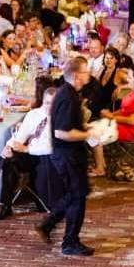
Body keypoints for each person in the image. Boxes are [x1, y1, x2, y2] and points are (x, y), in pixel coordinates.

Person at [0, 87, 59, 220]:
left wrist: (26, 149)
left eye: (53, 103)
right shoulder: (33, 114)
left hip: (45, 158)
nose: (50, 106)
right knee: (9, 159)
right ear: (43, 101)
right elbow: (20, 136)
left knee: (10, 161)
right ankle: (5, 205)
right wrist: (9, 146)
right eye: (47, 103)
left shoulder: (60, 119)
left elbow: (51, 147)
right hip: (28, 154)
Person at [36, 57, 95, 256]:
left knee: (75, 194)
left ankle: (48, 225)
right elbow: (62, 132)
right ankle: (69, 242)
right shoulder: (68, 97)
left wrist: (86, 127)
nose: (89, 75)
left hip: (70, 155)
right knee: (77, 198)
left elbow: (69, 124)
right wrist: (88, 134)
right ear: (77, 76)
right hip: (68, 156)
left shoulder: (68, 93)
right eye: (86, 72)